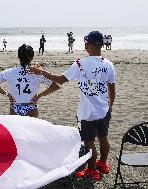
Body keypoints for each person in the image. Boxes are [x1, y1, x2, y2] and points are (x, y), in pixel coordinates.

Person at [28, 31, 116, 181]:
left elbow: (60, 80)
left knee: (89, 142)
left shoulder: (80, 64)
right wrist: (110, 107)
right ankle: (103, 164)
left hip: (87, 113)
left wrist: (41, 72)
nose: (85, 45)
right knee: (103, 138)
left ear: (89, 45)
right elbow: (112, 89)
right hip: (103, 110)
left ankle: (92, 170)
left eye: (86, 42)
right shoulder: (108, 64)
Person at [0, 44, 60, 118]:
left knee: (15, 129)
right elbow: (56, 86)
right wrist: (39, 95)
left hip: (15, 107)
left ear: (19, 56)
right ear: (32, 57)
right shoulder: (38, 73)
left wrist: (7, 94)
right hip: (31, 107)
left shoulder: (9, 72)